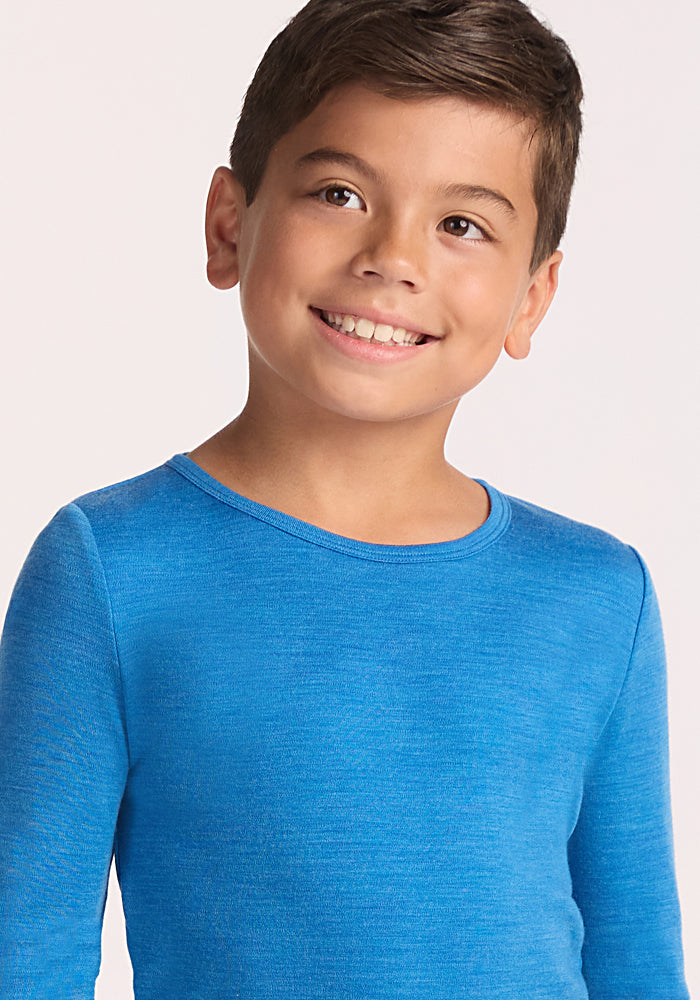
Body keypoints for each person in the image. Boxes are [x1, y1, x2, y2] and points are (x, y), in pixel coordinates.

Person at [0, 0, 689, 996]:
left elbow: (636, 955)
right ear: (229, 224)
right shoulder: (110, 571)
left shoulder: (598, 595)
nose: (392, 259)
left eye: (460, 223)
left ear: (529, 298)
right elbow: (27, 950)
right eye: (338, 193)